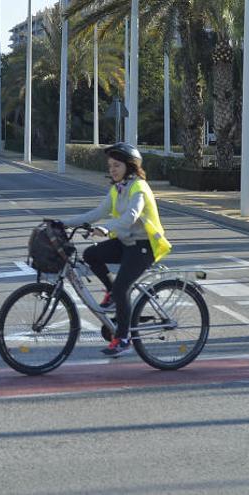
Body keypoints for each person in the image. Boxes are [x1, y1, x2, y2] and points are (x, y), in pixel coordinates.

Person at [62, 143, 172, 356]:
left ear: (129, 166)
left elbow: (131, 217)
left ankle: (123, 338)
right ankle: (111, 292)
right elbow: (95, 213)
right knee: (91, 254)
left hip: (143, 246)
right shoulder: (117, 189)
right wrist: (64, 223)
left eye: (117, 165)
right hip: (126, 242)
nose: (112, 169)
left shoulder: (139, 187)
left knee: (123, 288)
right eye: (110, 165)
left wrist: (106, 228)